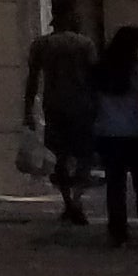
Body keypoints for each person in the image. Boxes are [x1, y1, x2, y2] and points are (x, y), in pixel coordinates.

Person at [90, 26, 138, 247]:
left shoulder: (100, 69)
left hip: (107, 131)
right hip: (137, 131)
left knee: (115, 185)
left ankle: (118, 231)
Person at [26, 20, 97, 226]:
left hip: (54, 105)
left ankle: (67, 200)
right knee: (85, 155)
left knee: (59, 155)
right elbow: (93, 76)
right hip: (82, 105)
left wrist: (28, 109)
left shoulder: (41, 44)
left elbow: (32, 78)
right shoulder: (85, 44)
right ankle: (77, 199)